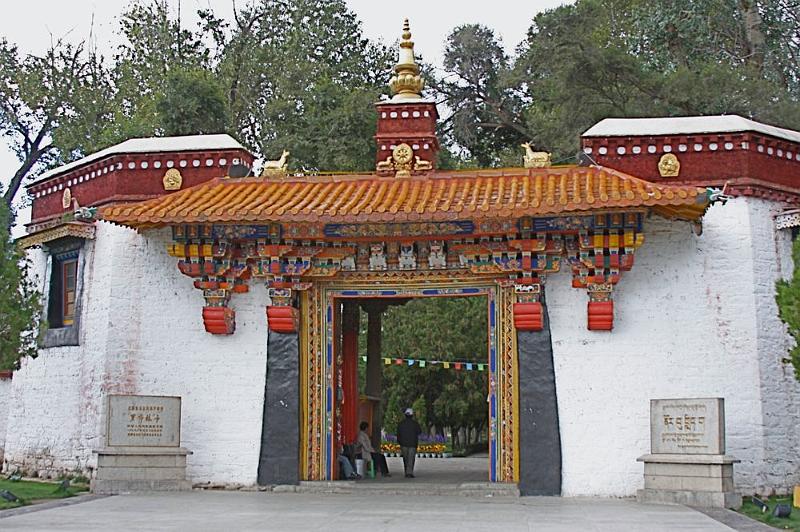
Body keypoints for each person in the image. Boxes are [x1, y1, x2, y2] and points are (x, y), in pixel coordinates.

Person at [397, 407, 422, 478]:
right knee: (411, 458)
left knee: (405, 458)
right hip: (412, 444)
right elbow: (419, 432)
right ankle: (409, 472)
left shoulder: (401, 424)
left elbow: (398, 434)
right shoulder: (415, 424)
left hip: (403, 443)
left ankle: (406, 472)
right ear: (412, 415)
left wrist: (399, 442)